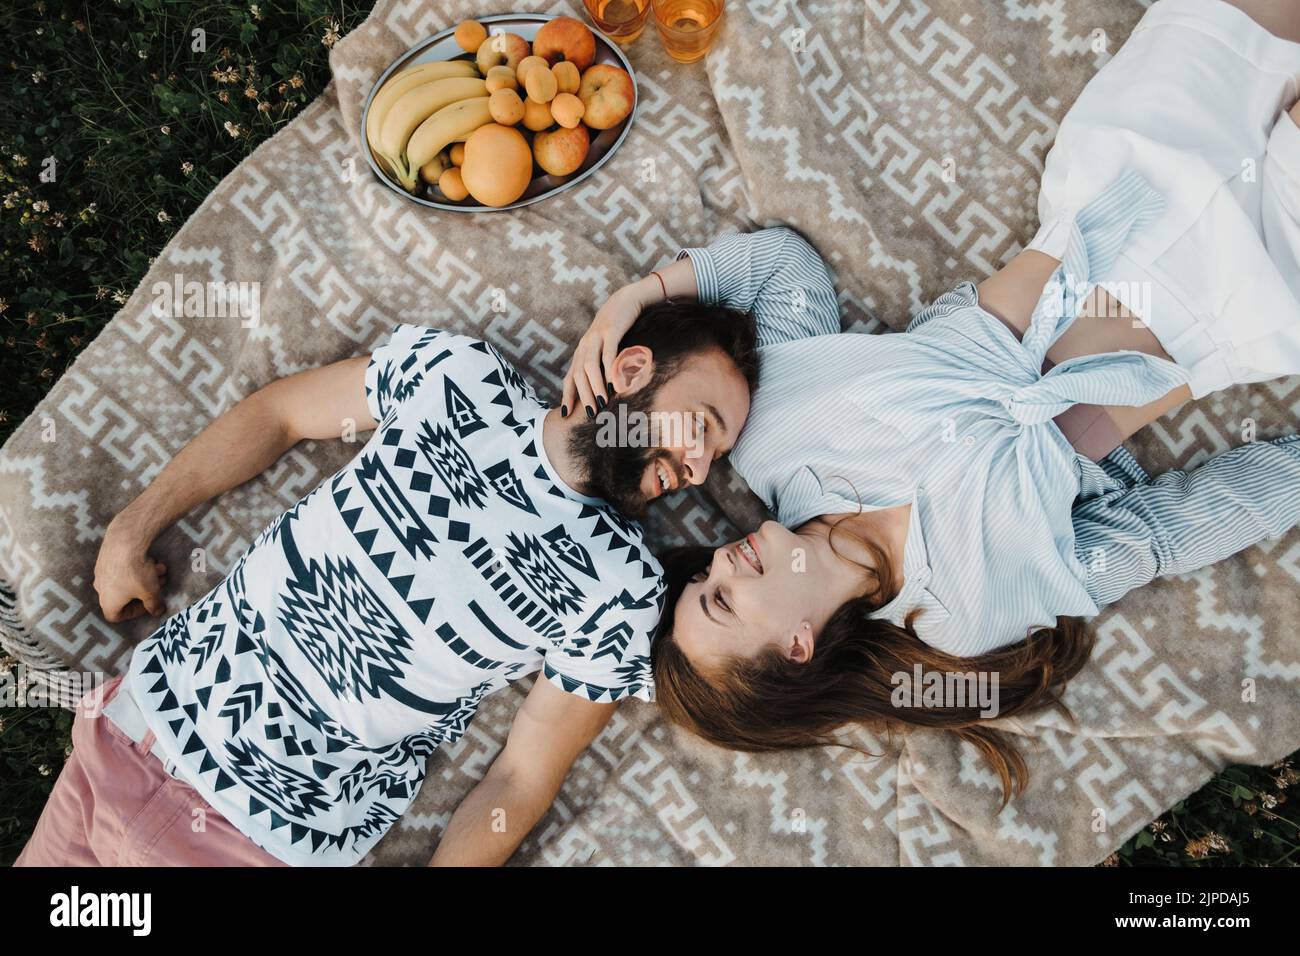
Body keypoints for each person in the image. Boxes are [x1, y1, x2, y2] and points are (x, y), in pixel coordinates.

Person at [561, 0, 1300, 804]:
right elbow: (1163, 532)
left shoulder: (771, 438)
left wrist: (639, 293)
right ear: (798, 647)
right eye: (722, 600)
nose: (718, 563)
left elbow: (780, 268)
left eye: (700, 579)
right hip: (1240, 290)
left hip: (1125, 173)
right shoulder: (966, 617)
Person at [15, 302, 758, 867]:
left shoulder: (621, 589)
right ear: (629, 373)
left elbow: (521, 779)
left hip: (249, 842)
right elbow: (279, 415)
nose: (697, 469)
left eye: (715, 456)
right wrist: (132, 528)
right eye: (701, 427)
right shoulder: (455, 377)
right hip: (124, 732)